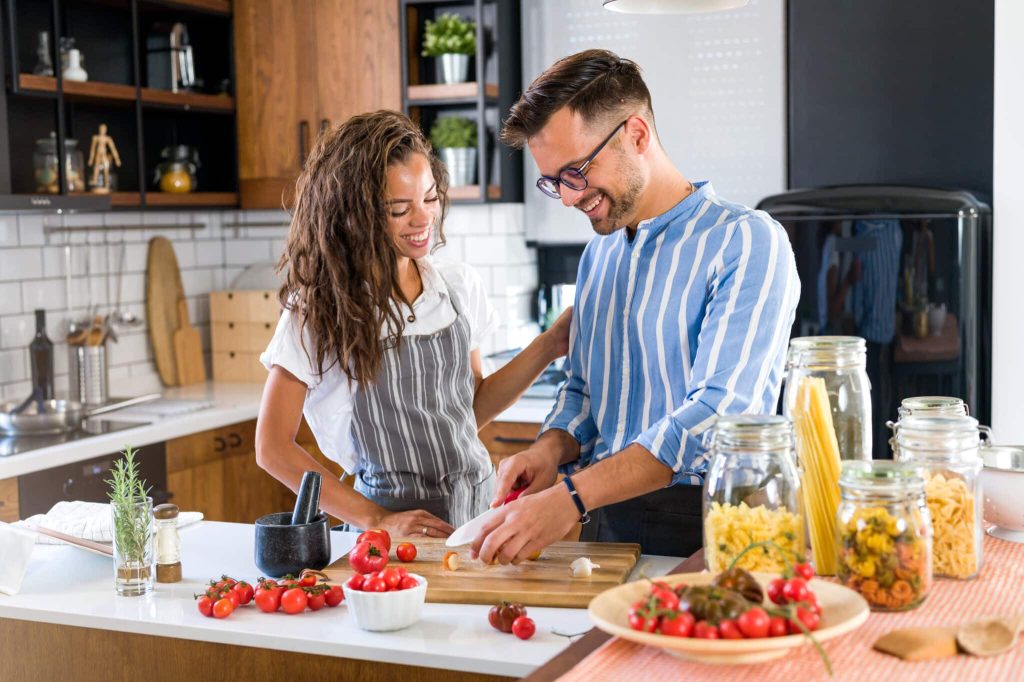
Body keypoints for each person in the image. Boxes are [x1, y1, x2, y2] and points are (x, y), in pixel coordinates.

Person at [470, 50, 801, 563]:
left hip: (707, 521)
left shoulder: (746, 241)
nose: (566, 197)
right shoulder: (599, 252)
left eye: (576, 171)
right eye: (554, 180)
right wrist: (547, 451)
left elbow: (719, 416)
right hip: (605, 516)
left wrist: (573, 495)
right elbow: (582, 392)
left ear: (637, 136)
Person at [255, 111, 571, 538]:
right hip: (390, 536)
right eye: (399, 209)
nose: (423, 220)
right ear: (356, 214)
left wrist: (550, 344)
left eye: (430, 198)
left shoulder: (456, 287)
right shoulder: (319, 309)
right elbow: (272, 448)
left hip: (477, 520)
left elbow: (470, 408)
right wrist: (376, 519)